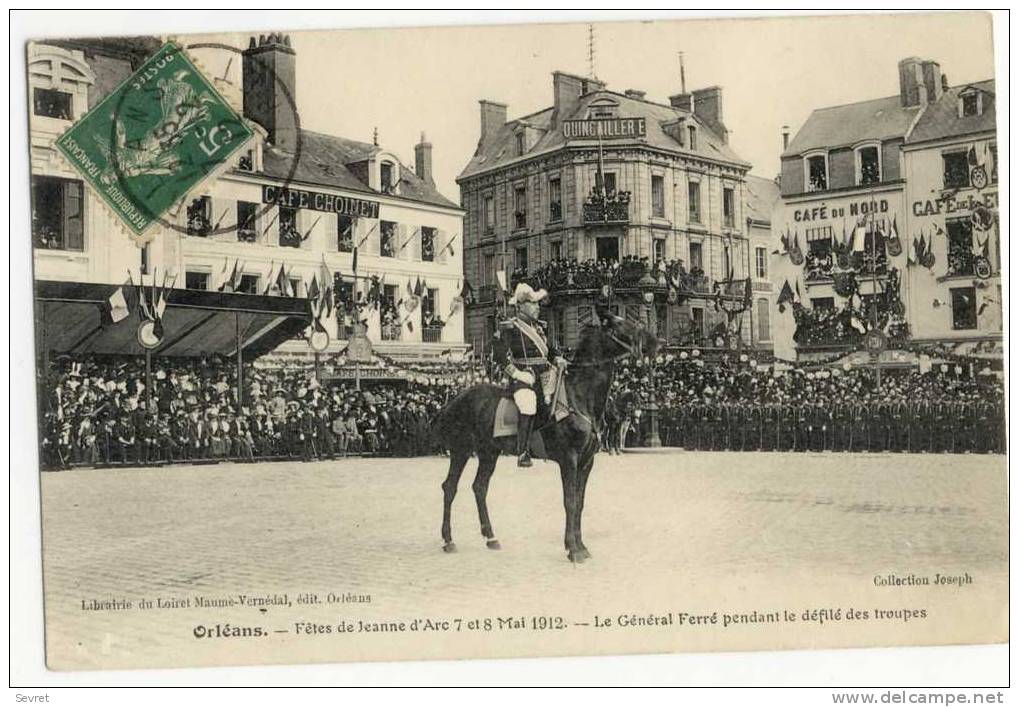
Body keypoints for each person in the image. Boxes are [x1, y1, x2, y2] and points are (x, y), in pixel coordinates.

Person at [492, 282, 566, 467]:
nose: (537, 307)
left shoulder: (539, 328)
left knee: (563, 398)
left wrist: (558, 358)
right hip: (523, 376)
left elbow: (549, 350)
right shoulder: (511, 327)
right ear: (521, 305)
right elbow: (499, 354)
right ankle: (523, 452)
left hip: (544, 375)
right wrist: (516, 373)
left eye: (537, 304)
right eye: (533, 304)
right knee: (528, 403)